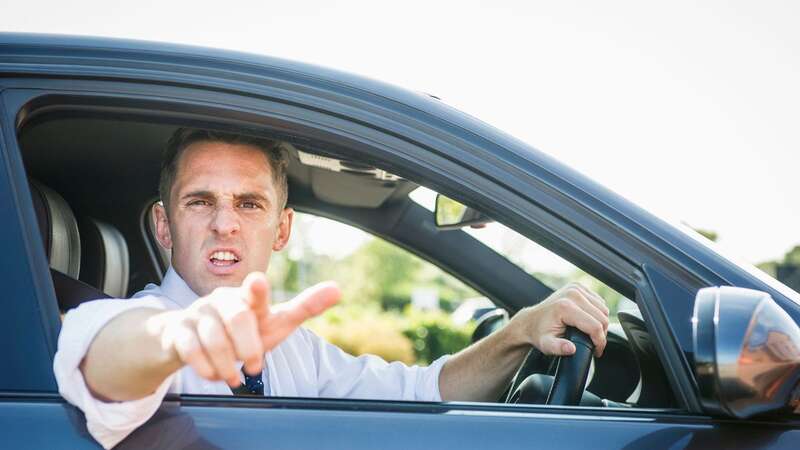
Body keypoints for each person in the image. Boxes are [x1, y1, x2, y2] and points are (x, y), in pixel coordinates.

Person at [54, 128, 610, 449]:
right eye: (200, 201)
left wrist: (517, 333)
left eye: (249, 204)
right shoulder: (143, 325)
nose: (225, 223)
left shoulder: (294, 348)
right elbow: (98, 359)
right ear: (164, 226)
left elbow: (422, 394)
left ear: (282, 229)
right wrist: (178, 336)